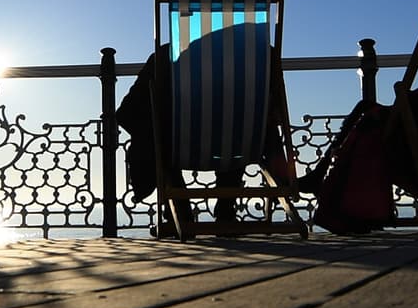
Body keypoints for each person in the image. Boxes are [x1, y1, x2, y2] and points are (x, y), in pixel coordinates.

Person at [116, 41, 292, 233]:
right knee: (235, 127)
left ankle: (180, 211)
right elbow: (276, 115)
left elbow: (128, 112)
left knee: (158, 134)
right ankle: (226, 211)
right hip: (241, 144)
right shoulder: (263, 53)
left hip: (182, 145)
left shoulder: (167, 55)